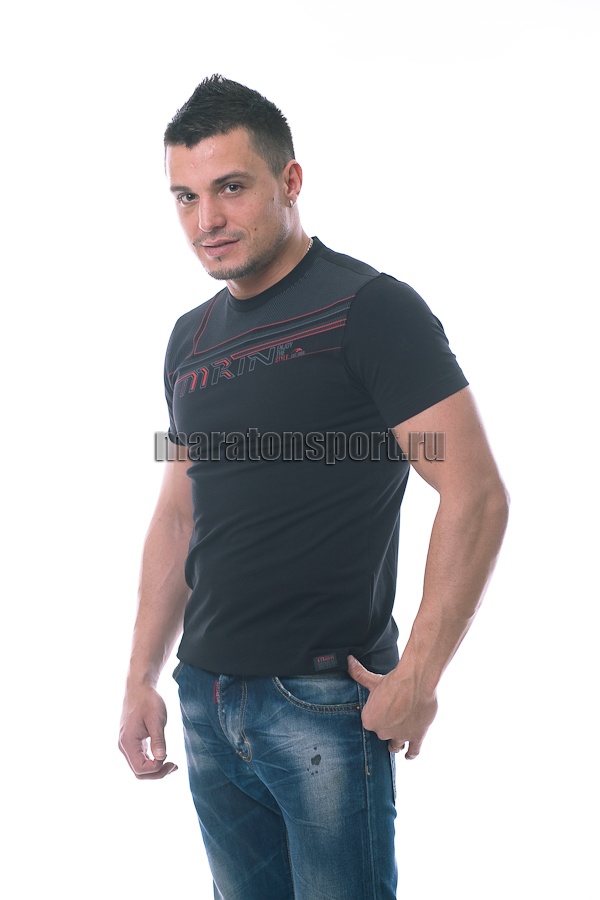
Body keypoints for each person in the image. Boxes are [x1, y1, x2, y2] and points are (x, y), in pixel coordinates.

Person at [119, 74, 509, 900]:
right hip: (206, 697)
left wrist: (419, 675)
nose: (207, 220)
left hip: (322, 701)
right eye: (186, 197)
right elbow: (179, 513)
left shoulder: (370, 309)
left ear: (289, 180)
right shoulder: (189, 340)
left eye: (231, 188)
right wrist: (140, 677)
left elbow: (474, 490)